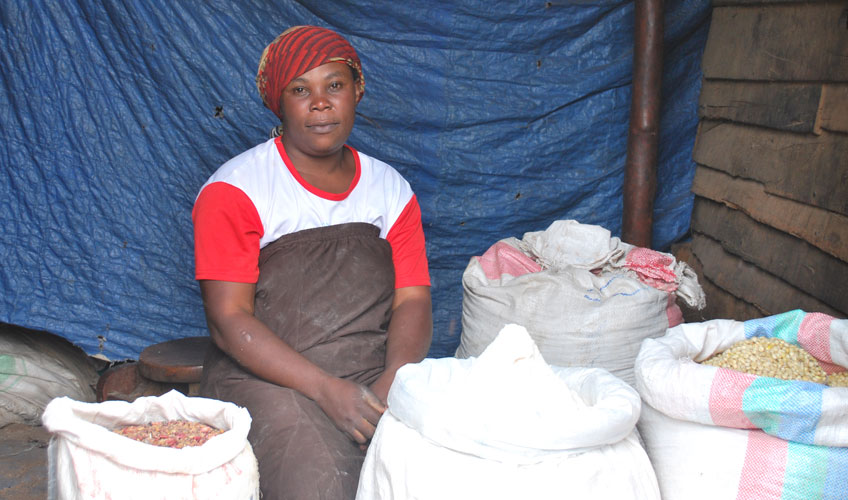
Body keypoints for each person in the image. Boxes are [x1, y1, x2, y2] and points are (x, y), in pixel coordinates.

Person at [191, 25, 433, 500]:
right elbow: (228, 320)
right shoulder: (236, 190)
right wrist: (326, 390)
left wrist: (393, 380)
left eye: (335, 86)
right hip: (268, 377)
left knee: (441, 466)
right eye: (300, 90)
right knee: (320, 481)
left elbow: (413, 298)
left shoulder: (390, 190)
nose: (320, 103)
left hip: (373, 372)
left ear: (358, 91)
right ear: (278, 104)